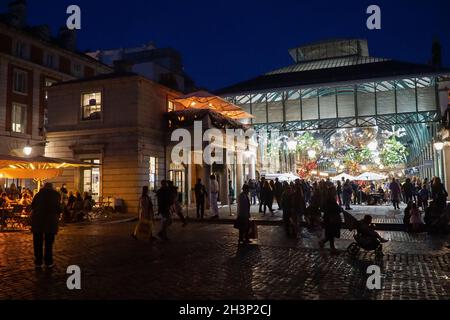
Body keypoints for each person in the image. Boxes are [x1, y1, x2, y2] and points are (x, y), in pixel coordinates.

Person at [30, 183, 62, 268]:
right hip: (50, 222)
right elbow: (59, 208)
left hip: (38, 221)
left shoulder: (38, 195)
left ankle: (38, 262)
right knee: (49, 243)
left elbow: (32, 206)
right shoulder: (56, 195)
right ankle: (48, 262)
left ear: (43, 187)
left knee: (37, 243)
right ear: (52, 187)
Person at [319, 186, 342, 254]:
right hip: (331, 218)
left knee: (330, 233)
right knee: (331, 233)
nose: (335, 191)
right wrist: (339, 209)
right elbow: (332, 208)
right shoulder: (329, 199)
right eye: (334, 190)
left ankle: (322, 242)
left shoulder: (329, 198)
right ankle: (332, 248)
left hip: (330, 218)